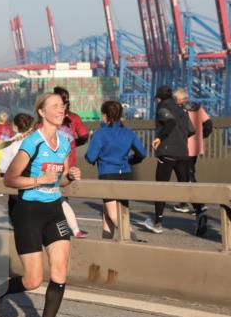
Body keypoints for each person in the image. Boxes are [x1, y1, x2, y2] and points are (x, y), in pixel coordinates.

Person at [0, 92, 81, 317]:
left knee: (60, 273)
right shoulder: (32, 143)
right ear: (42, 112)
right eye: (56, 106)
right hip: (29, 213)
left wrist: (70, 176)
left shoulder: (64, 142)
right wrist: (39, 180)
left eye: (63, 106)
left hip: (54, 211)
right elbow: (10, 179)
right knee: (33, 281)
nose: (61, 109)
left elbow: (60, 181)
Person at [143, 86, 207, 237]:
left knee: (161, 187)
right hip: (183, 153)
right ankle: (199, 210)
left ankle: (157, 223)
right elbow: (191, 130)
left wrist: (160, 137)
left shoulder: (162, 107)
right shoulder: (182, 110)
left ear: (158, 98)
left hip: (167, 153)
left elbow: (170, 122)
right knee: (185, 186)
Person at [84, 100, 147, 239]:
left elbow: (90, 157)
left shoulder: (100, 134)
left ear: (105, 115)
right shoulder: (128, 133)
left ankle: (135, 241)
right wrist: (130, 160)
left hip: (107, 174)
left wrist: (91, 156)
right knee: (110, 214)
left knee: (114, 216)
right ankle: (106, 250)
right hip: (125, 174)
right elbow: (142, 153)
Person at [51, 86, 90, 239]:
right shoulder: (74, 118)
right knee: (61, 197)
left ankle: (66, 229)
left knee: (57, 197)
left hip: (52, 164)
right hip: (70, 163)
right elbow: (84, 135)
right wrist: (73, 143)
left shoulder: (49, 118)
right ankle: (71, 229)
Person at [172, 88, 213, 214]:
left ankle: (199, 204)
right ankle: (183, 202)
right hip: (196, 146)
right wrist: (201, 136)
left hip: (184, 146)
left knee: (188, 175)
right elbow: (209, 124)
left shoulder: (179, 109)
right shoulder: (197, 107)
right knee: (186, 173)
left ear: (179, 99)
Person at [0, 112, 35, 215]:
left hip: (16, 188)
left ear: (15, 127)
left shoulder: (9, 143)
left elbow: (3, 168)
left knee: (17, 224)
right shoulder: (36, 141)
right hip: (36, 187)